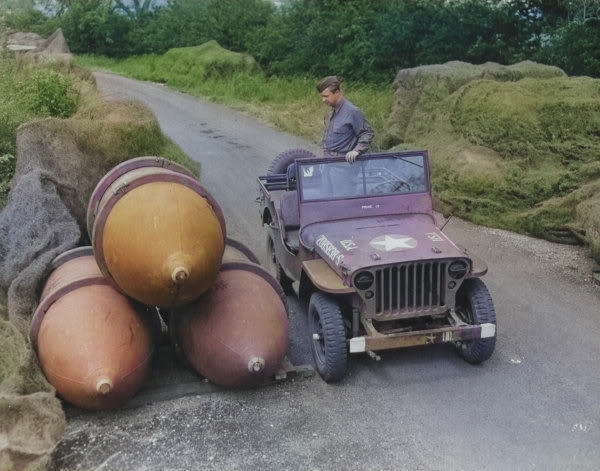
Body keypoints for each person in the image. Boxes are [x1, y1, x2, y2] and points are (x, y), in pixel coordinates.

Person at [317, 76, 374, 163]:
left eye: (326, 96)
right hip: (328, 162)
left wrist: (356, 151)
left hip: (344, 165)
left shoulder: (352, 112)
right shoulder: (330, 110)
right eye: (322, 96)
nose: (323, 100)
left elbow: (367, 133)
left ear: (337, 93)